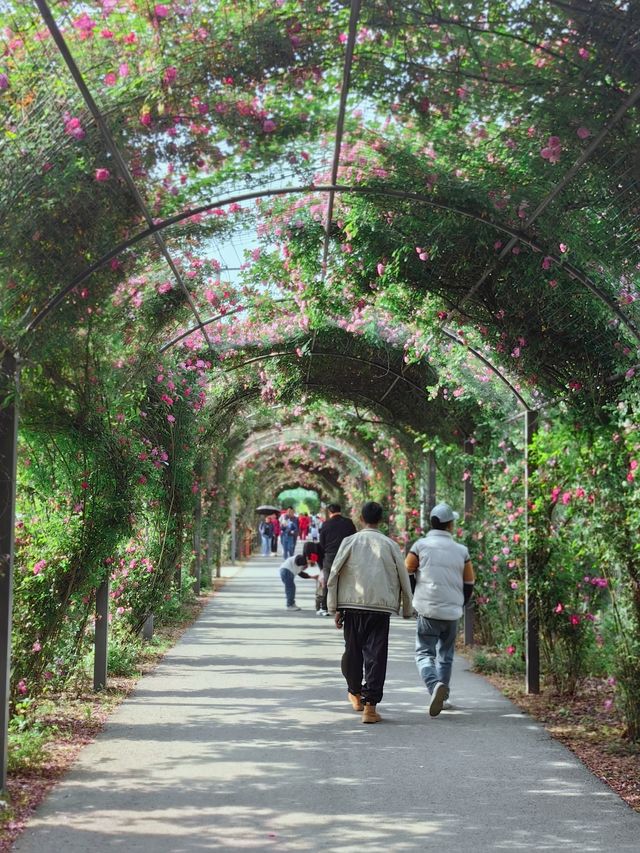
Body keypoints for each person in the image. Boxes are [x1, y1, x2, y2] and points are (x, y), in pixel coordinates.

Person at [327, 501, 413, 724]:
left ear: (361, 519)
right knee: (376, 656)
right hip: (380, 608)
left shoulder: (350, 541)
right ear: (380, 520)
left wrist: (334, 606)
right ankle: (370, 708)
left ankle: (355, 693)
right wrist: (406, 608)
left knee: (352, 652)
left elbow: (334, 573)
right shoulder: (390, 545)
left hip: (352, 606)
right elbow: (404, 576)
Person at [405, 502, 475, 717]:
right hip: (451, 611)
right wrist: (459, 603)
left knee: (424, 653)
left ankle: (434, 685)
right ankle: (443, 696)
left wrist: (415, 595)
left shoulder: (419, 546)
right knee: (446, 655)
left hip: (427, 609)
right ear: (450, 525)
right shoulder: (462, 551)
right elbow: (469, 583)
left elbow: (407, 571)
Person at [318, 503, 356, 614]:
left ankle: (325, 607)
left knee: (328, 581)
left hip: (330, 556)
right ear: (341, 510)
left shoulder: (326, 524)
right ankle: (346, 606)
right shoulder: (349, 523)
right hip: (346, 555)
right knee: (346, 581)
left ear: (330, 512)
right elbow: (354, 539)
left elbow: (322, 543)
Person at [302, 541, 326, 616]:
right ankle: (319, 607)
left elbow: (317, 562)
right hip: (324, 570)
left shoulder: (319, 550)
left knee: (321, 590)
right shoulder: (316, 550)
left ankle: (320, 607)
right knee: (320, 590)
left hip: (326, 569)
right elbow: (315, 562)